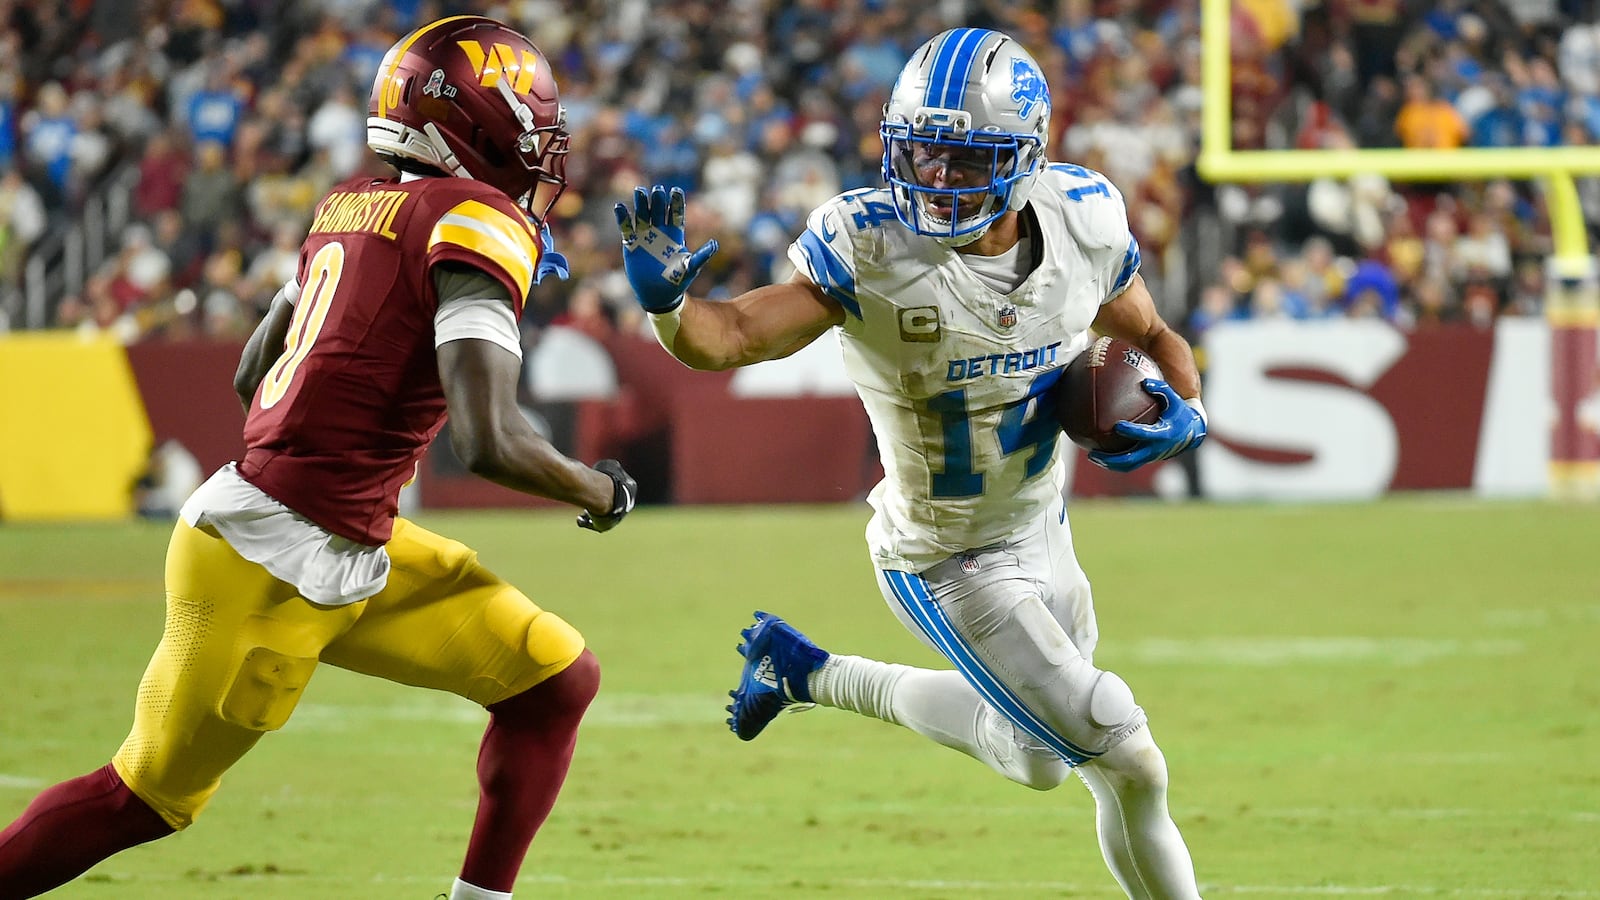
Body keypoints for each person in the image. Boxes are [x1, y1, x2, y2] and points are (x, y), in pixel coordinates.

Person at [0, 17, 636, 900]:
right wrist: (600, 489)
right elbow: (491, 441)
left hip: (342, 539)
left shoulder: (349, 204)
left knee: (554, 679)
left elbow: (249, 371)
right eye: (526, 115)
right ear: (472, 120)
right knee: (140, 798)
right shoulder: (476, 221)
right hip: (269, 565)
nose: (540, 138)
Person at [614, 28, 1204, 899]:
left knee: (1044, 763)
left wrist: (1187, 411)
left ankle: (807, 671)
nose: (934, 178)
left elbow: (1153, 335)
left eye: (965, 161)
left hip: (1043, 529)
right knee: (1129, 755)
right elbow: (732, 335)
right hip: (945, 555)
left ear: (1026, 157)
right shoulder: (872, 247)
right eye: (921, 153)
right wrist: (670, 308)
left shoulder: (1082, 219)